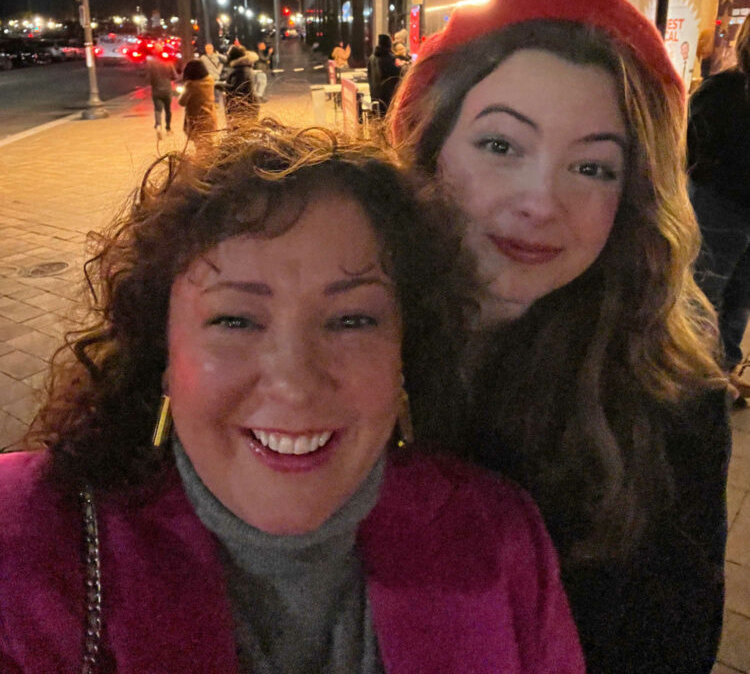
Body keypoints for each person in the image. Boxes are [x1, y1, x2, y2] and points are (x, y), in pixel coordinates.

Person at [0, 122, 584, 673]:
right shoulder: (23, 546)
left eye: (352, 320)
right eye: (235, 320)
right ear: (164, 357)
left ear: (405, 352)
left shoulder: (499, 538)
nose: (295, 382)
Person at [389, 0, 731, 674]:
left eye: (591, 167)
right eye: (501, 147)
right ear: (428, 149)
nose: (541, 201)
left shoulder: (668, 400)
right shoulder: (337, 340)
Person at [688, 12, 750, 402]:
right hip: (722, 204)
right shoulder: (722, 91)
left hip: (720, 202)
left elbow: (695, 150)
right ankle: (709, 375)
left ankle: (706, 376)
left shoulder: (719, 91)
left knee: (710, 291)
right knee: (725, 294)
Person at [178, 58, 218, 146]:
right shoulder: (210, 80)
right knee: (209, 144)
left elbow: (182, 102)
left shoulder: (191, 85)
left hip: (197, 121)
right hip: (210, 117)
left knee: (201, 147)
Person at [146, 42, 178, 140]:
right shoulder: (168, 62)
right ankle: (168, 128)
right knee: (168, 110)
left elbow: (148, 77)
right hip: (167, 89)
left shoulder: (151, 63)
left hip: (156, 90)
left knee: (157, 109)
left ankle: (158, 125)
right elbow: (174, 76)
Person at [367, 34, 402, 117]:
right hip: (387, 97)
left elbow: (369, 76)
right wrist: (400, 66)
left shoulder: (372, 58)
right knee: (386, 118)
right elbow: (396, 76)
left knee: (378, 116)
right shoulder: (389, 58)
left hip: (374, 94)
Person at [224, 43, 259, 117]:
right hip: (247, 105)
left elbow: (236, 89)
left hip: (243, 107)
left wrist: (218, 85)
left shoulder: (241, 69)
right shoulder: (244, 67)